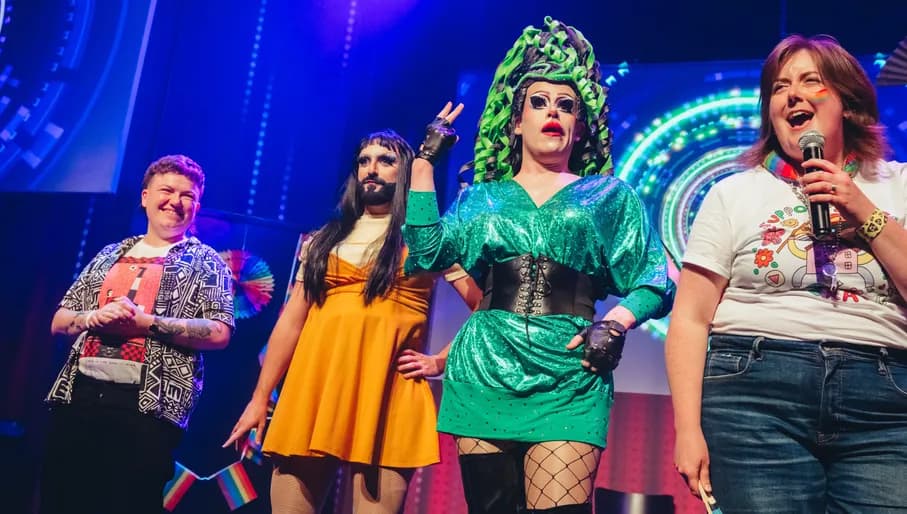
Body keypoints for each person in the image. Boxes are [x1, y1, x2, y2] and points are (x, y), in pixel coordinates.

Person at [402, 17, 675, 514]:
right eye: (540, 103)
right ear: (515, 121)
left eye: (567, 106)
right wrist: (424, 165)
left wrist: (614, 324)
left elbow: (654, 280)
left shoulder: (608, 195)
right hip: (484, 368)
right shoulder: (482, 197)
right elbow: (428, 254)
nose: (554, 112)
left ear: (579, 125)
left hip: (570, 374)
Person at [666, 34, 907, 513]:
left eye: (810, 82)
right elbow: (691, 319)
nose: (793, 95)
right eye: (779, 87)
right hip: (755, 391)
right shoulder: (733, 193)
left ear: (847, 102)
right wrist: (687, 430)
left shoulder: (897, 184)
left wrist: (863, 209)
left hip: (884, 399)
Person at [224, 129, 481, 514]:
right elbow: (291, 322)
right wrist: (260, 397)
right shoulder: (323, 240)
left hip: (386, 393)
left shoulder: (425, 238)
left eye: (385, 160)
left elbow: (485, 307)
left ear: (406, 172)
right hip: (313, 390)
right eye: (364, 161)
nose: (371, 169)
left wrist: (440, 361)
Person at [40, 155, 235, 514]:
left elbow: (220, 332)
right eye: (167, 190)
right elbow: (59, 320)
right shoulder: (109, 254)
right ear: (145, 197)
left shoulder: (208, 263)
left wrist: (146, 324)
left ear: (197, 206)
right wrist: (94, 317)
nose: (176, 201)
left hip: (147, 409)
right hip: (79, 398)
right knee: (62, 500)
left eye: (187, 195)